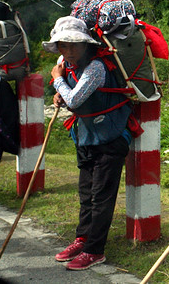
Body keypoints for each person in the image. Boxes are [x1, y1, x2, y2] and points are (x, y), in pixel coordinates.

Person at [43, 16, 135, 271]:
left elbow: (74, 100)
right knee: (86, 195)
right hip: (86, 138)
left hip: (109, 139)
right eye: (63, 45)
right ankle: (82, 240)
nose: (68, 51)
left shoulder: (95, 67)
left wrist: (57, 80)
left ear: (86, 44)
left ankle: (95, 250)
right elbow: (69, 97)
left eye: (74, 45)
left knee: (101, 197)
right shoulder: (67, 64)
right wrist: (58, 94)